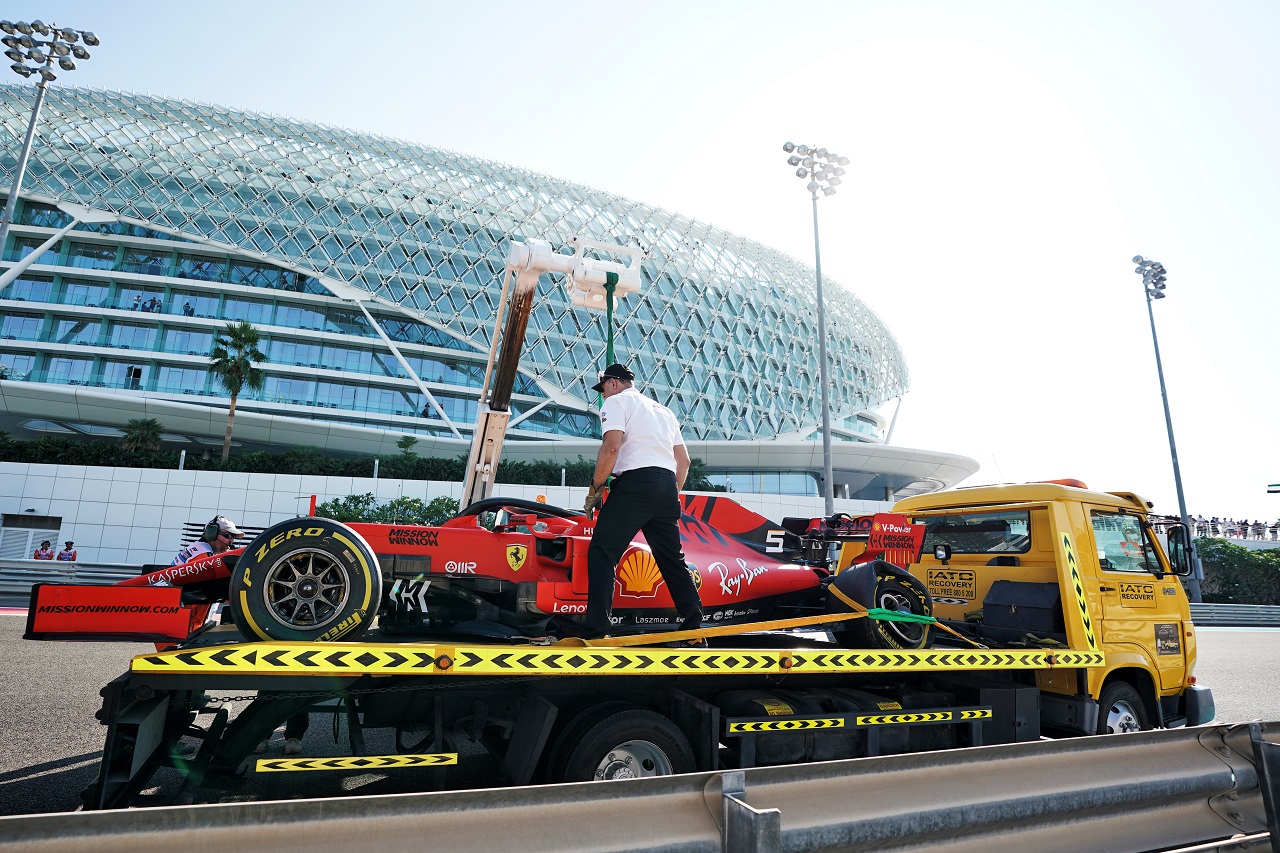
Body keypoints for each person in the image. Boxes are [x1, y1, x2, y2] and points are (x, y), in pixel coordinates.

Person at [568, 362, 703, 644]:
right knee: (672, 560)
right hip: (667, 486)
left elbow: (612, 447)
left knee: (603, 551)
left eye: (603, 388)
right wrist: (668, 493)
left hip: (635, 484)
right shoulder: (664, 411)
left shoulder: (616, 403)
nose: (602, 396)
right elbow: (684, 462)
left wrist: (595, 489)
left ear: (613, 383)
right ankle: (693, 628)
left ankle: (597, 630)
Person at [171, 515, 242, 565]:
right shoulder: (202, 556)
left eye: (233, 536)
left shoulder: (200, 547)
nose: (232, 541)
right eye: (228, 535)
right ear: (212, 534)